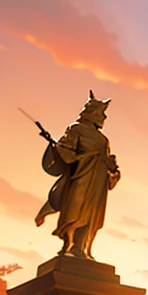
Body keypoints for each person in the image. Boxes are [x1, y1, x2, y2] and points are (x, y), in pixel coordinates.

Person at [35, 90, 122, 260]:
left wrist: (112, 170)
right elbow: (66, 150)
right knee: (74, 211)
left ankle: (82, 248)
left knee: (92, 217)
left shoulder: (103, 140)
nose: (104, 118)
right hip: (81, 176)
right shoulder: (77, 129)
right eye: (102, 113)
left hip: (98, 181)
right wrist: (61, 149)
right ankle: (69, 245)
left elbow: (108, 162)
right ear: (93, 113)